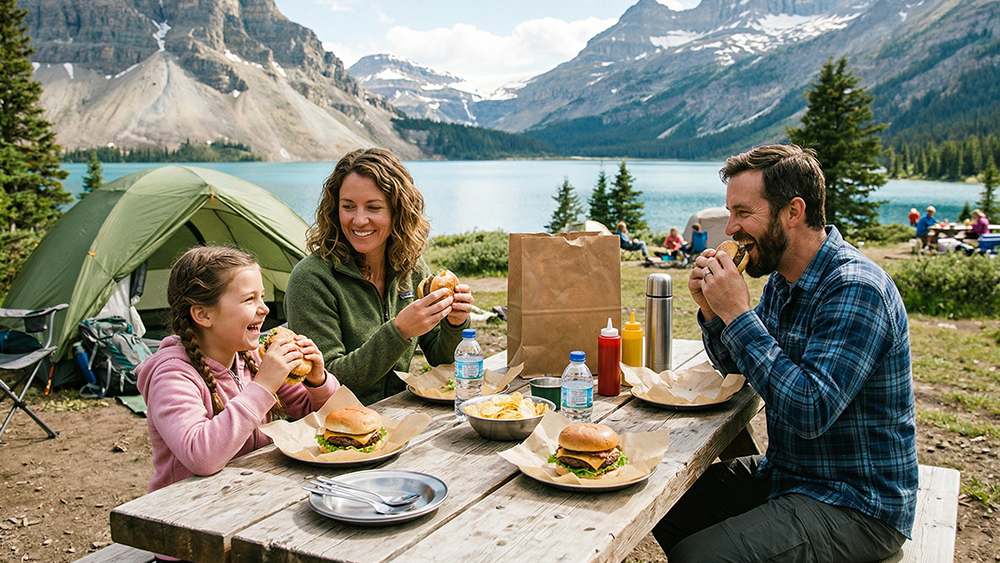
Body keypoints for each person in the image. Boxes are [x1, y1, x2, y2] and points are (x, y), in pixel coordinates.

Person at [653, 144, 917, 563]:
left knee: (700, 556)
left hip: (857, 504)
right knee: (662, 501)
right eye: (730, 214)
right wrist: (713, 311)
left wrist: (738, 313)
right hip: (787, 474)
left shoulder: (855, 288)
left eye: (743, 213)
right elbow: (740, 368)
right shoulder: (782, 280)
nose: (731, 230)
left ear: (793, 211)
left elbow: (809, 411)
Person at [136, 247, 339, 561]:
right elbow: (201, 455)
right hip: (191, 536)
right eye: (249, 300)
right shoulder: (172, 375)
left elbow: (322, 416)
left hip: (253, 511)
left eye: (261, 296)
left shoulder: (249, 358)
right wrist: (264, 386)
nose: (264, 309)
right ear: (203, 314)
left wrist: (317, 380)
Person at [284, 148, 473, 405]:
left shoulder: (412, 269)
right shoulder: (312, 279)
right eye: (348, 207)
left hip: (397, 417)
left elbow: (442, 361)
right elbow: (327, 382)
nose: (359, 220)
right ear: (334, 209)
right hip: (332, 426)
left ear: (398, 212)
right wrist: (399, 331)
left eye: (373, 207)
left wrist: (455, 323)